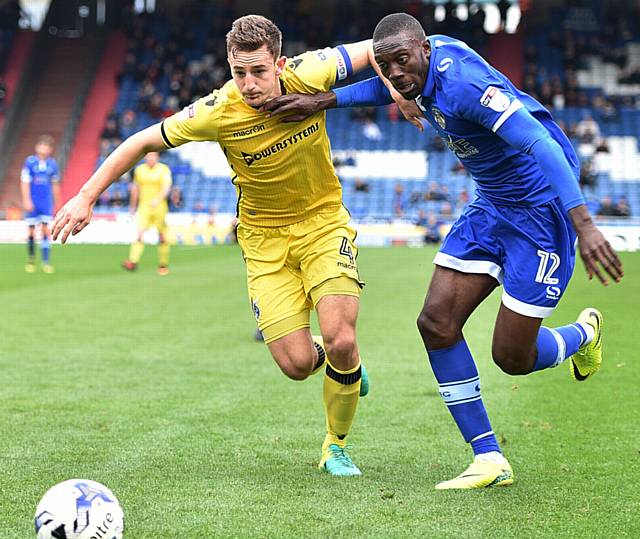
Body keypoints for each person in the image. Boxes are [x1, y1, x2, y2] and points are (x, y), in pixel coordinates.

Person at [263, 13, 624, 489]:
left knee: (512, 357)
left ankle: (582, 335)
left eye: (403, 62)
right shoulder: (410, 70)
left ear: (425, 51)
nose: (395, 74)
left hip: (541, 213)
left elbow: (538, 140)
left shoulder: (465, 86)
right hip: (491, 205)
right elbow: (381, 86)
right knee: (435, 322)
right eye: (386, 65)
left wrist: (584, 224)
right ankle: (489, 457)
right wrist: (323, 100)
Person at [51, 15, 416, 477]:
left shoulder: (312, 71)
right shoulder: (217, 111)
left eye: (259, 72)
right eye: (238, 72)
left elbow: (382, 44)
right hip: (264, 243)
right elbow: (141, 140)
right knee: (298, 364)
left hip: (324, 225)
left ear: (280, 64)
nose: (248, 84)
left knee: (343, 336)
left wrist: (401, 92)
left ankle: (335, 445)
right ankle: (344, 366)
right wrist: (85, 196)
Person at [121, 151, 172, 275]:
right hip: (144, 207)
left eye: (153, 156)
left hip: (160, 207)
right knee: (139, 234)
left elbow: (166, 188)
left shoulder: (163, 169)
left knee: (162, 236)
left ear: (157, 157)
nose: (150, 158)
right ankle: (133, 261)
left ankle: (163, 264)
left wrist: (158, 199)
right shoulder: (139, 170)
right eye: (148, 156)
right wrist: (132, 207)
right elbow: (135, 189)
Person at [20, 135, 60, 274]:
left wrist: (57, 202)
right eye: (42, 145)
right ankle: (31, 260)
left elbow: (55, 184)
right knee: (31, 231)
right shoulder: (30, 162)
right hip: (33, 201)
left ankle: (46, 262)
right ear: (37, 147)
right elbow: (25, 182)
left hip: (46, 202)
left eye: (47, 146)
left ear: (50, 149)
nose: (44, 148)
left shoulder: (52, 164)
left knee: (45, 231)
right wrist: (26, 200)